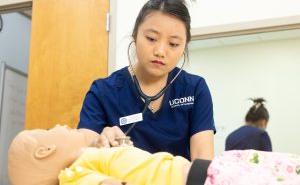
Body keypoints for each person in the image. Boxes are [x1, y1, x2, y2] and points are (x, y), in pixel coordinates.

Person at [78, 0, 215, 161]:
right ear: (135, 35)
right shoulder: (103, 91)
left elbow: (202, 161)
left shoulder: (194, 89)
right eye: (151, 39)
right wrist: (98, 142)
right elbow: (80, 153)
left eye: (173, 44)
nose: (160, 51)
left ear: (183, 47)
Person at [8, 125, 300, 185]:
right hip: (203, 179)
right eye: (48, 128)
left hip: (204, 172)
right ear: (45, 151)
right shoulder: (73, 175)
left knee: (276, 168)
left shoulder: (91, 158)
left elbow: (129, 164)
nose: (59, 124)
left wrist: (117, 143)